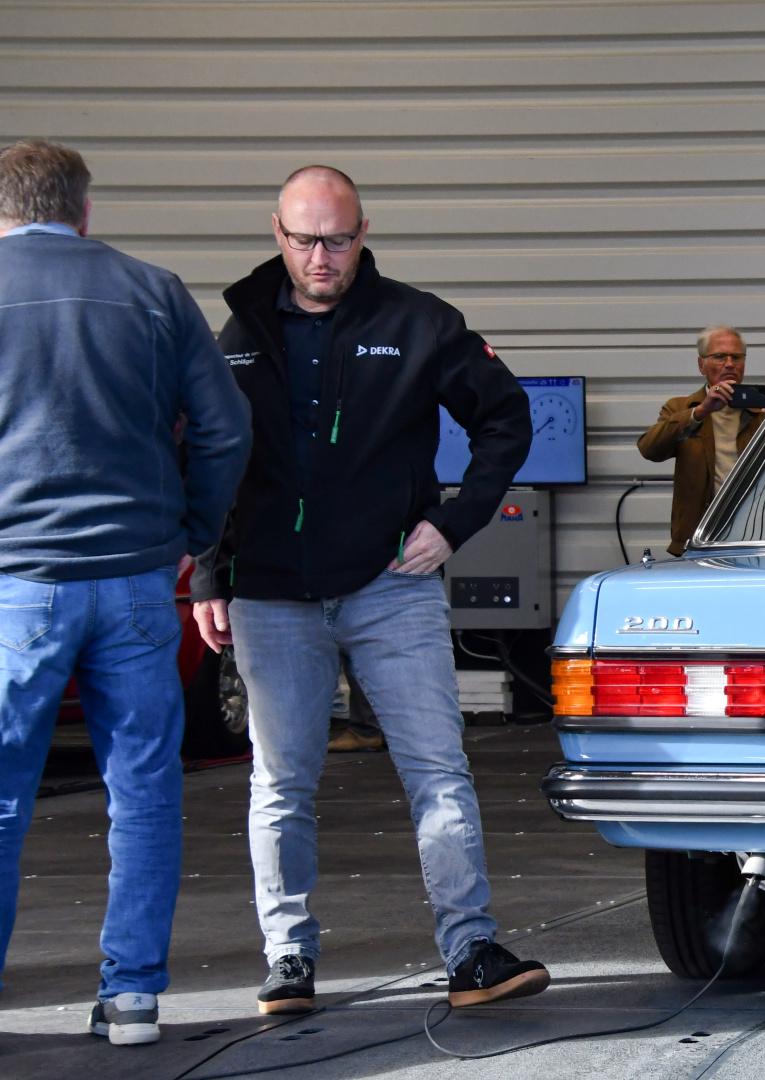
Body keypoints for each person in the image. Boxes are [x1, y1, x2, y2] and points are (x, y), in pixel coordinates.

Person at [189, 165, 545, 1015]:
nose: (322, 257)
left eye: (339, 240)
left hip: (392, 587)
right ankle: (288, 959)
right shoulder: (235, 335)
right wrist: (207, 571)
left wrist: (453, 524)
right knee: (280, 784)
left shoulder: (418, 323)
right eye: (306, 239)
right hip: (270, 594)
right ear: (277, 233)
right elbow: (205, 454)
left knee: (438, 771)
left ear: (363, 233)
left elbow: (506, 419)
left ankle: (471, 950)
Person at [0, 140, 252, 1045]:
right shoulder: (153, 290)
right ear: (84, 210)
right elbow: (225, 427)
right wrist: (189, 531)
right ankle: (134, 996)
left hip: (17, 584)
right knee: (143, 791)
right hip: (140, 581)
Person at [637, 326, 765, 555]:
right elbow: (649, 449)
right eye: (719, 357)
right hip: (699, 537)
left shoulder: (763, 410)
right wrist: (700, 412)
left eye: (736, 357)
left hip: (755, 534)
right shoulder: (680, 408)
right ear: (702, 365)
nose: (729, 364)